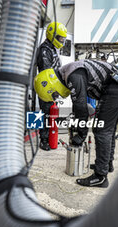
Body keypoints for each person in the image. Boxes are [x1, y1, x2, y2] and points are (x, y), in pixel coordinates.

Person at [34, 60, 118, 188]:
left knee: (101, 130)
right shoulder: (70, 73)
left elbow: (80, 107)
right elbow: (78, 104)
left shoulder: (73, 75)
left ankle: (100, 177)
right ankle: (107, 165)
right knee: (108, 128)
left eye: (54, 94)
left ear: (51, 84)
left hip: (117, 86)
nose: (57, 96)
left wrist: (81, 135)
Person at [36, 22, 67, 151]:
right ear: (52, 35)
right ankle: (43, 140)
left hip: (53, 87)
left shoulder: (52, 48)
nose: (62, 41)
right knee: (45, 114)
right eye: (60, 38)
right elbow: (46, 72)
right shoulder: (44, 50)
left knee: (51, 114)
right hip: (46, 87)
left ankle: (50, 138)